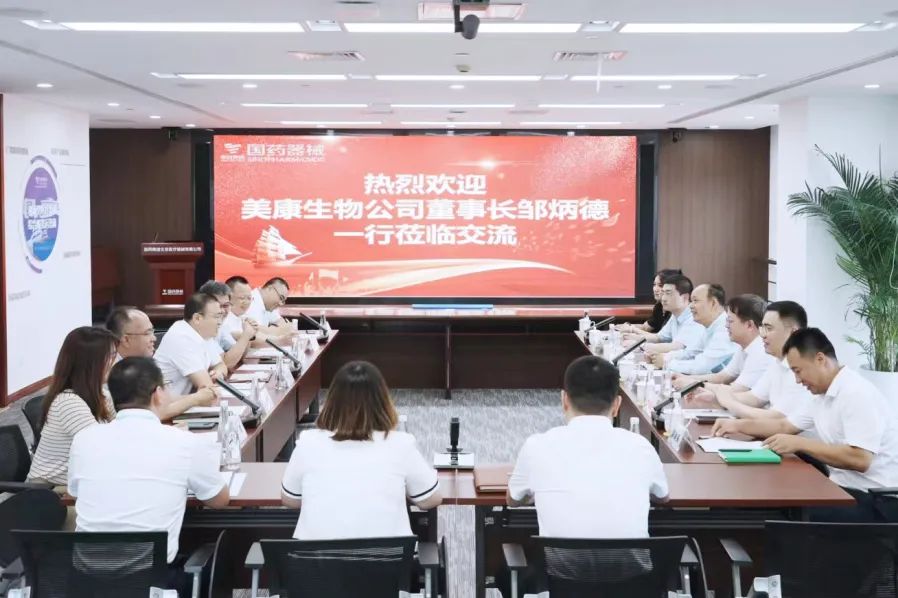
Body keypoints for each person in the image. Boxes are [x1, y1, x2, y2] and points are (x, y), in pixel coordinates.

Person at [68, 357, 229, 591]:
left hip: (87, 580)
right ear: (158, 394)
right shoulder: (184, 442)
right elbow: (219, 500)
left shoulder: (84, 439)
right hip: (153, 583)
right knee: (221, 558)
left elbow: (76, 492)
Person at [712, 328, 898, 522]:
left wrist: (800, 443)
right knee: (762, 495)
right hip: (843, 488)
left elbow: (860, 459)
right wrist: (737, 425)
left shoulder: (855, 393)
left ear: (820, 359)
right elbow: (784, 426)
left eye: (798, 371)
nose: (798, 380)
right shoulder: (821, 395)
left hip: (877, 501)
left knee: (783, 509)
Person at [508, 355, 668, 537]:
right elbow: (662, 496)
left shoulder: (537, 446)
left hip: (557, 558)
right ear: (617, 405)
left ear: (564, 400)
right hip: (630, 558)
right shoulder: (641, 447)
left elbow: (513, 499)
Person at [280, 361, 441, 539]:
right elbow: (430, 499)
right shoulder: (400, 444)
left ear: (332, 402)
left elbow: (290, 500)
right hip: (387, 557)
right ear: (383, 402)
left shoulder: (308, 443)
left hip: (315, 557)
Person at [27, 327, 117, 486]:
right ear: (91, 363)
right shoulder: (69, 403)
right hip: (51, 490)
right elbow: (101, 448)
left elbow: (119, 430)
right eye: (110, 356)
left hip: (79, 481)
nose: (114, 362)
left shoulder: (101, 394)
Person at [106, 306, 216, 418]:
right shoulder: (112, 371)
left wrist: (200, 396)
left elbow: (163, 399)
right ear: (126, 339)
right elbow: (154, 412)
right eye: (147, 333)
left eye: (152, 331)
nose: (154, 338)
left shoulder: (138, 363)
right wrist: (196, 399)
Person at [710, 301, 811, 420]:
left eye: (769, 328)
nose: (762, 335)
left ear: (793, 332)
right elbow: (755, 398)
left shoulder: (804, 369)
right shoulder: (778, 361)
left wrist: (728, 402)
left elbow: (776, 418)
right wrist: (715, 397)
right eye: (762, 328)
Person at [674, 294, 774, 392]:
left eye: (730, 321)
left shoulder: (760, 351)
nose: (726, 325)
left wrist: (692, 384)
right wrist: (686, 378)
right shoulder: (744, 346)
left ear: (749, 325)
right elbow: (722, 377)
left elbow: (736, 390)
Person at [154, 293, 226, 396]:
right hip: (167, 404)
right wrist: (214, 380)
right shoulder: (180, 337)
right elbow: (207, 387)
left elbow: (221, 365)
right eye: (216, 317)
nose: (220, 322)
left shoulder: (204, 334)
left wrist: (218, 373)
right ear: (197, 318)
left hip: (184, 402)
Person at [661, 283, 737, 374]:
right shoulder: (708, 326)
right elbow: (690, 353)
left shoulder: (726, 329)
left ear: (713, 303)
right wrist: (665, 357)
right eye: (691, 301)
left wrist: (667, 363)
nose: (690, 306)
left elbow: (701, 367)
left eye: (695, 301)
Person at [634, 274, 703, 356]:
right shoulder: (675, 314)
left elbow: (676, 347)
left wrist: (640, 346)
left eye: (668, 293)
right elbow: (659, 337)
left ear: (684, 297)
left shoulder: (694, 317)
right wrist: (632, 338)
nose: (663, 299)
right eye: (663, 293)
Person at [198, 279, 257, 370]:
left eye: (226, 306)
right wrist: (246, 335)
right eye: (218, 305)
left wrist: (248, 335)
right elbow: (227, 363)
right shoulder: (201, 327)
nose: (222, 311)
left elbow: (240, 356)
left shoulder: (221, 326)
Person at [617, 268, 682, 334]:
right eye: (654, 285)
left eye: (660, 285)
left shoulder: (676, 310)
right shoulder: (659, 306)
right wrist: (621, 327)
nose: (655, 289)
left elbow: (661, 337)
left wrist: (632, 330)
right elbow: (646, 327)